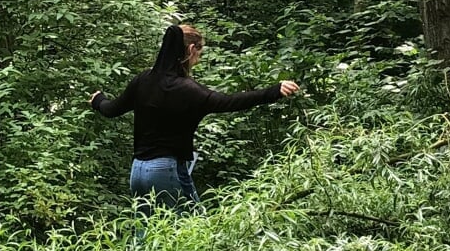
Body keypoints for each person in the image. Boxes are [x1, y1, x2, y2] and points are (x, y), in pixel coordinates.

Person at [89, 24, 299, 216]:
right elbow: (230, 102)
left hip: (138, 171)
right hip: (164, 170)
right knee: (190, 230)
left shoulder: (143, 80)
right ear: (190, 50)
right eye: (199, 54)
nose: (198, 60)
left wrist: (98, 100)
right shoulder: (189, 90)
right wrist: (274, 91)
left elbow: (111, 109)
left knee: (145, 236)